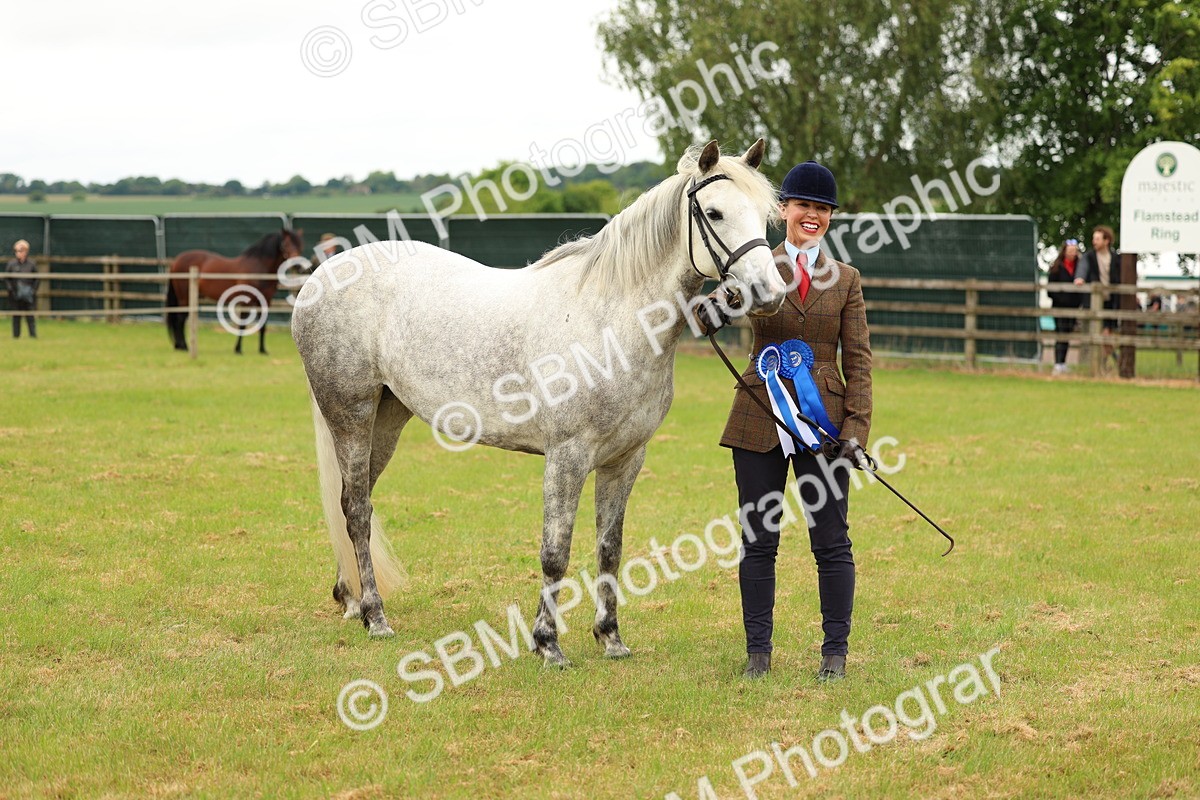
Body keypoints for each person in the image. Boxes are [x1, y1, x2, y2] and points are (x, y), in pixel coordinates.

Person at [702, 161, 872, 682]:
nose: (812, 216)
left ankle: (835, 654)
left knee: (831, 540)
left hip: (824, 430)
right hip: (758, 415)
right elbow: (721, 306)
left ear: (830, 218)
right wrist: (709, 312)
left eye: (822, 209)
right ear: (784, 211)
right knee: (759, 539)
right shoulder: (758, 266)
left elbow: (859, 360)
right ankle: (758, 654)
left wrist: (855, 431)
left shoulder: (846, 280)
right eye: (804, 207)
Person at [1077, 225, 1120, 370]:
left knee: (1106, 336)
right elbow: (1082, 267)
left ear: (1106, 241)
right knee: (1102, 335)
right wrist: (1080, 278)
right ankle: (1112, 362)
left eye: (1097, 239)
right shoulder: (1089, 256)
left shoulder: (1115, 258)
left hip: (1110, 302)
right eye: (1093, 239)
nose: (1094, 241)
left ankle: (1104, 365)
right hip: (1095, 302)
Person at [1046, 239, 1083, 374]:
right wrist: (1062, 300)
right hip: (1059, 306)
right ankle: (1058, 362)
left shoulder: (1079, 267)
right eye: (1070, 250)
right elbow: (1050, 290)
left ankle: (1063, 362)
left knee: (1067, 334)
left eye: (1074, 250)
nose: (1072, 253)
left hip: (1073, 307)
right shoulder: (1056, 268)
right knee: (1060, 333)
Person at [6, 239, 38, 339]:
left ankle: (32, 335)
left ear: (25, 251)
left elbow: (37, 279)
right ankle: (16, 336)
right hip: (15, 294)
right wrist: (11, 290)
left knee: (30, 315)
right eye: (16, 251)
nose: (17, 253)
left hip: (28, 294)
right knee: (16, 316)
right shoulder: (11, 264)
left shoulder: (32, 264)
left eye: (20, 251)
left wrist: (32, 291)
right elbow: (7, 279)